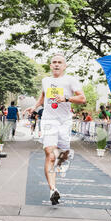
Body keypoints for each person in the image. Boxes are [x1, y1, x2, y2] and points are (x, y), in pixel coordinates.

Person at [24, 54, 86, 205]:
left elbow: (82, 99)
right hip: (49, 120)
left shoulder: (70, 80)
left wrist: (66, 99)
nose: (57, 65)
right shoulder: (46, 80)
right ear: (50, 66)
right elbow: (43, 97)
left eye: (60, 63)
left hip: (64, 122)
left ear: (64, 66)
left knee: (63, 154)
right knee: (49, 154)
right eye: (54, 62)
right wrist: (35, 106)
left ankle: (61, 162)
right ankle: (53, 189)